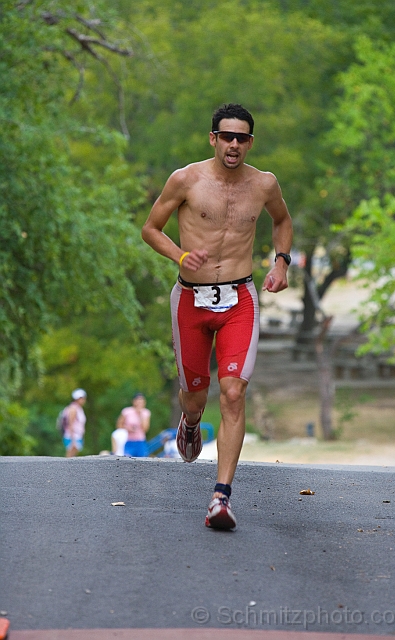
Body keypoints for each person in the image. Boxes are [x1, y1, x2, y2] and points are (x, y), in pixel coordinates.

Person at [142, 103, 293, 530]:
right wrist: (181, 255)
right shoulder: (186, 179)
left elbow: (282, 221)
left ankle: (220, 498)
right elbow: (150, 228)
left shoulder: (264, 184)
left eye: (242, 138)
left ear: (250, 142)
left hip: (240, 299)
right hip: (190, 299)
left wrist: (281, 262)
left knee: (232, 393)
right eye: (226, 136)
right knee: (196, 395)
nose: (233, 144)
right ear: (213, 139)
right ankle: (191, 422)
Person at [116, 393, 151, 457]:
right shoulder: (126, 411)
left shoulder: (146, 412)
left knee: (142, 461)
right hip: (128, 440)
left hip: (140, 441)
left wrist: (140, 415)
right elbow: (119, 425)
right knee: (127, 460)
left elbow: (145, 428)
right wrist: (128, 428)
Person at [63, 388, 87, 457]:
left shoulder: (78, 408)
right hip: (73, 436)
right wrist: (73, 440)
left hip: (77, 435)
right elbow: (70, 424)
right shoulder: (73, 409)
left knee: (73, 457)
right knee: (70, 456)